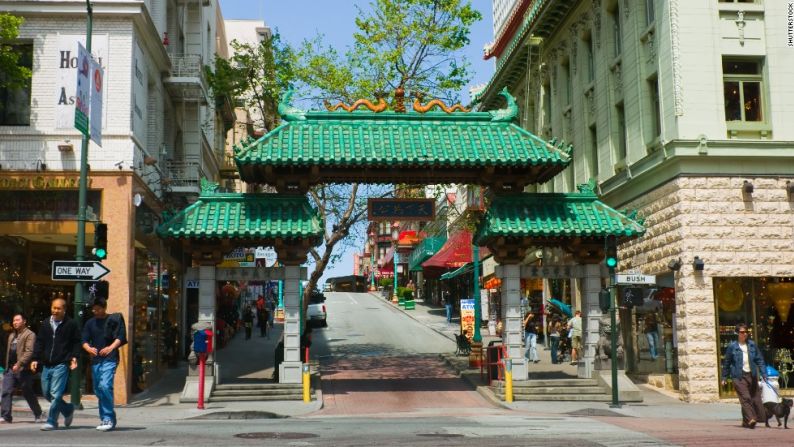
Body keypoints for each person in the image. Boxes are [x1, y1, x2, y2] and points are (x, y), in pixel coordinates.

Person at [31, 297, 81, 431]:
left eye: (58, 308)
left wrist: (74, 357)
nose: (55, 311)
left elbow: (76, 342)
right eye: (54, 308)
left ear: (64, 310)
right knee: (47, 393)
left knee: (56, 394)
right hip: (47, 364)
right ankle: (68, 409)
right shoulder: (46, 323)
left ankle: (52, 421)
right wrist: (35, 359)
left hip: (61, 364)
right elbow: (40, 342)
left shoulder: (71, 324)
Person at [81, 298, 127, 431]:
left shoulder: (113, 319)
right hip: (96, 360)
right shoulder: (90, 323)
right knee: (98, 389)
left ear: (104, 307)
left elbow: (120, 336)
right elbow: (84, 339)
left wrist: (110, 348)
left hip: (110, 358)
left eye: (98, 308)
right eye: (93, 309)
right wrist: (88, 348)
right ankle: (109, 417)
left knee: (105, 385)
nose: (95, 311)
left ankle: (107, 418)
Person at [721, 323, 767, 428]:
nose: (745, 334)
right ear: (737, 333)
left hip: (751, 375)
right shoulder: (732, 346)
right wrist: (724, 377)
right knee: (745, 397)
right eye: (742, 332)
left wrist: (764, 373)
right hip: (738, 376)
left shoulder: (752, 345)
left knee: (754, 398)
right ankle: (751, 419)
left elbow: (759, 359)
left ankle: (745, 422)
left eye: (746, 332)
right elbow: (727, 363)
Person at [1, 314, 43, 424]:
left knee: (27, 391)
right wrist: (7, 366)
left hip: (23, 369)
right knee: (6, 391)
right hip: (10, 368)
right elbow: (8, 353)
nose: (15, 322)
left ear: (24, 321)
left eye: (17, 320)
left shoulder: (30, 335)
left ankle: (38, 413)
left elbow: (29, 352)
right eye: (14, 320)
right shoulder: (11, 336)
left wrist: (19, 364)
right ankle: (6, 416)